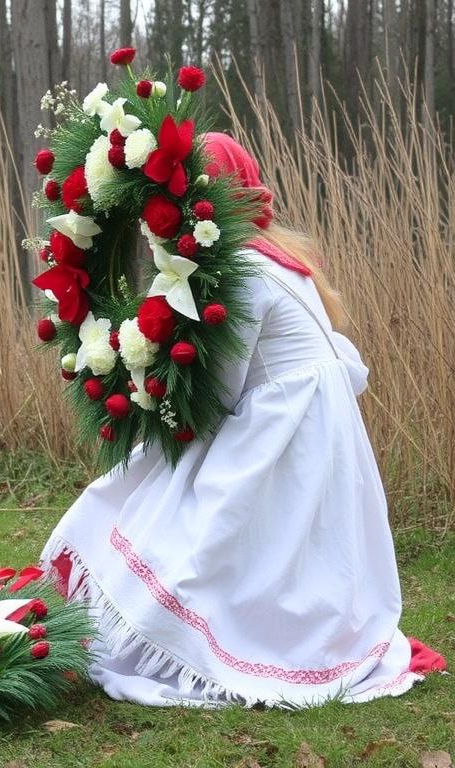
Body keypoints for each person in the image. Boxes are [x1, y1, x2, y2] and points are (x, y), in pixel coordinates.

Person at [41, 132, 445, 707]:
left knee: (179, 507)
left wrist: (163, 410)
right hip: (317, 432)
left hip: (281, 427)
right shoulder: (288, 262)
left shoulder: (242, 272)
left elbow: (225, 387)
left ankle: (190, 621)